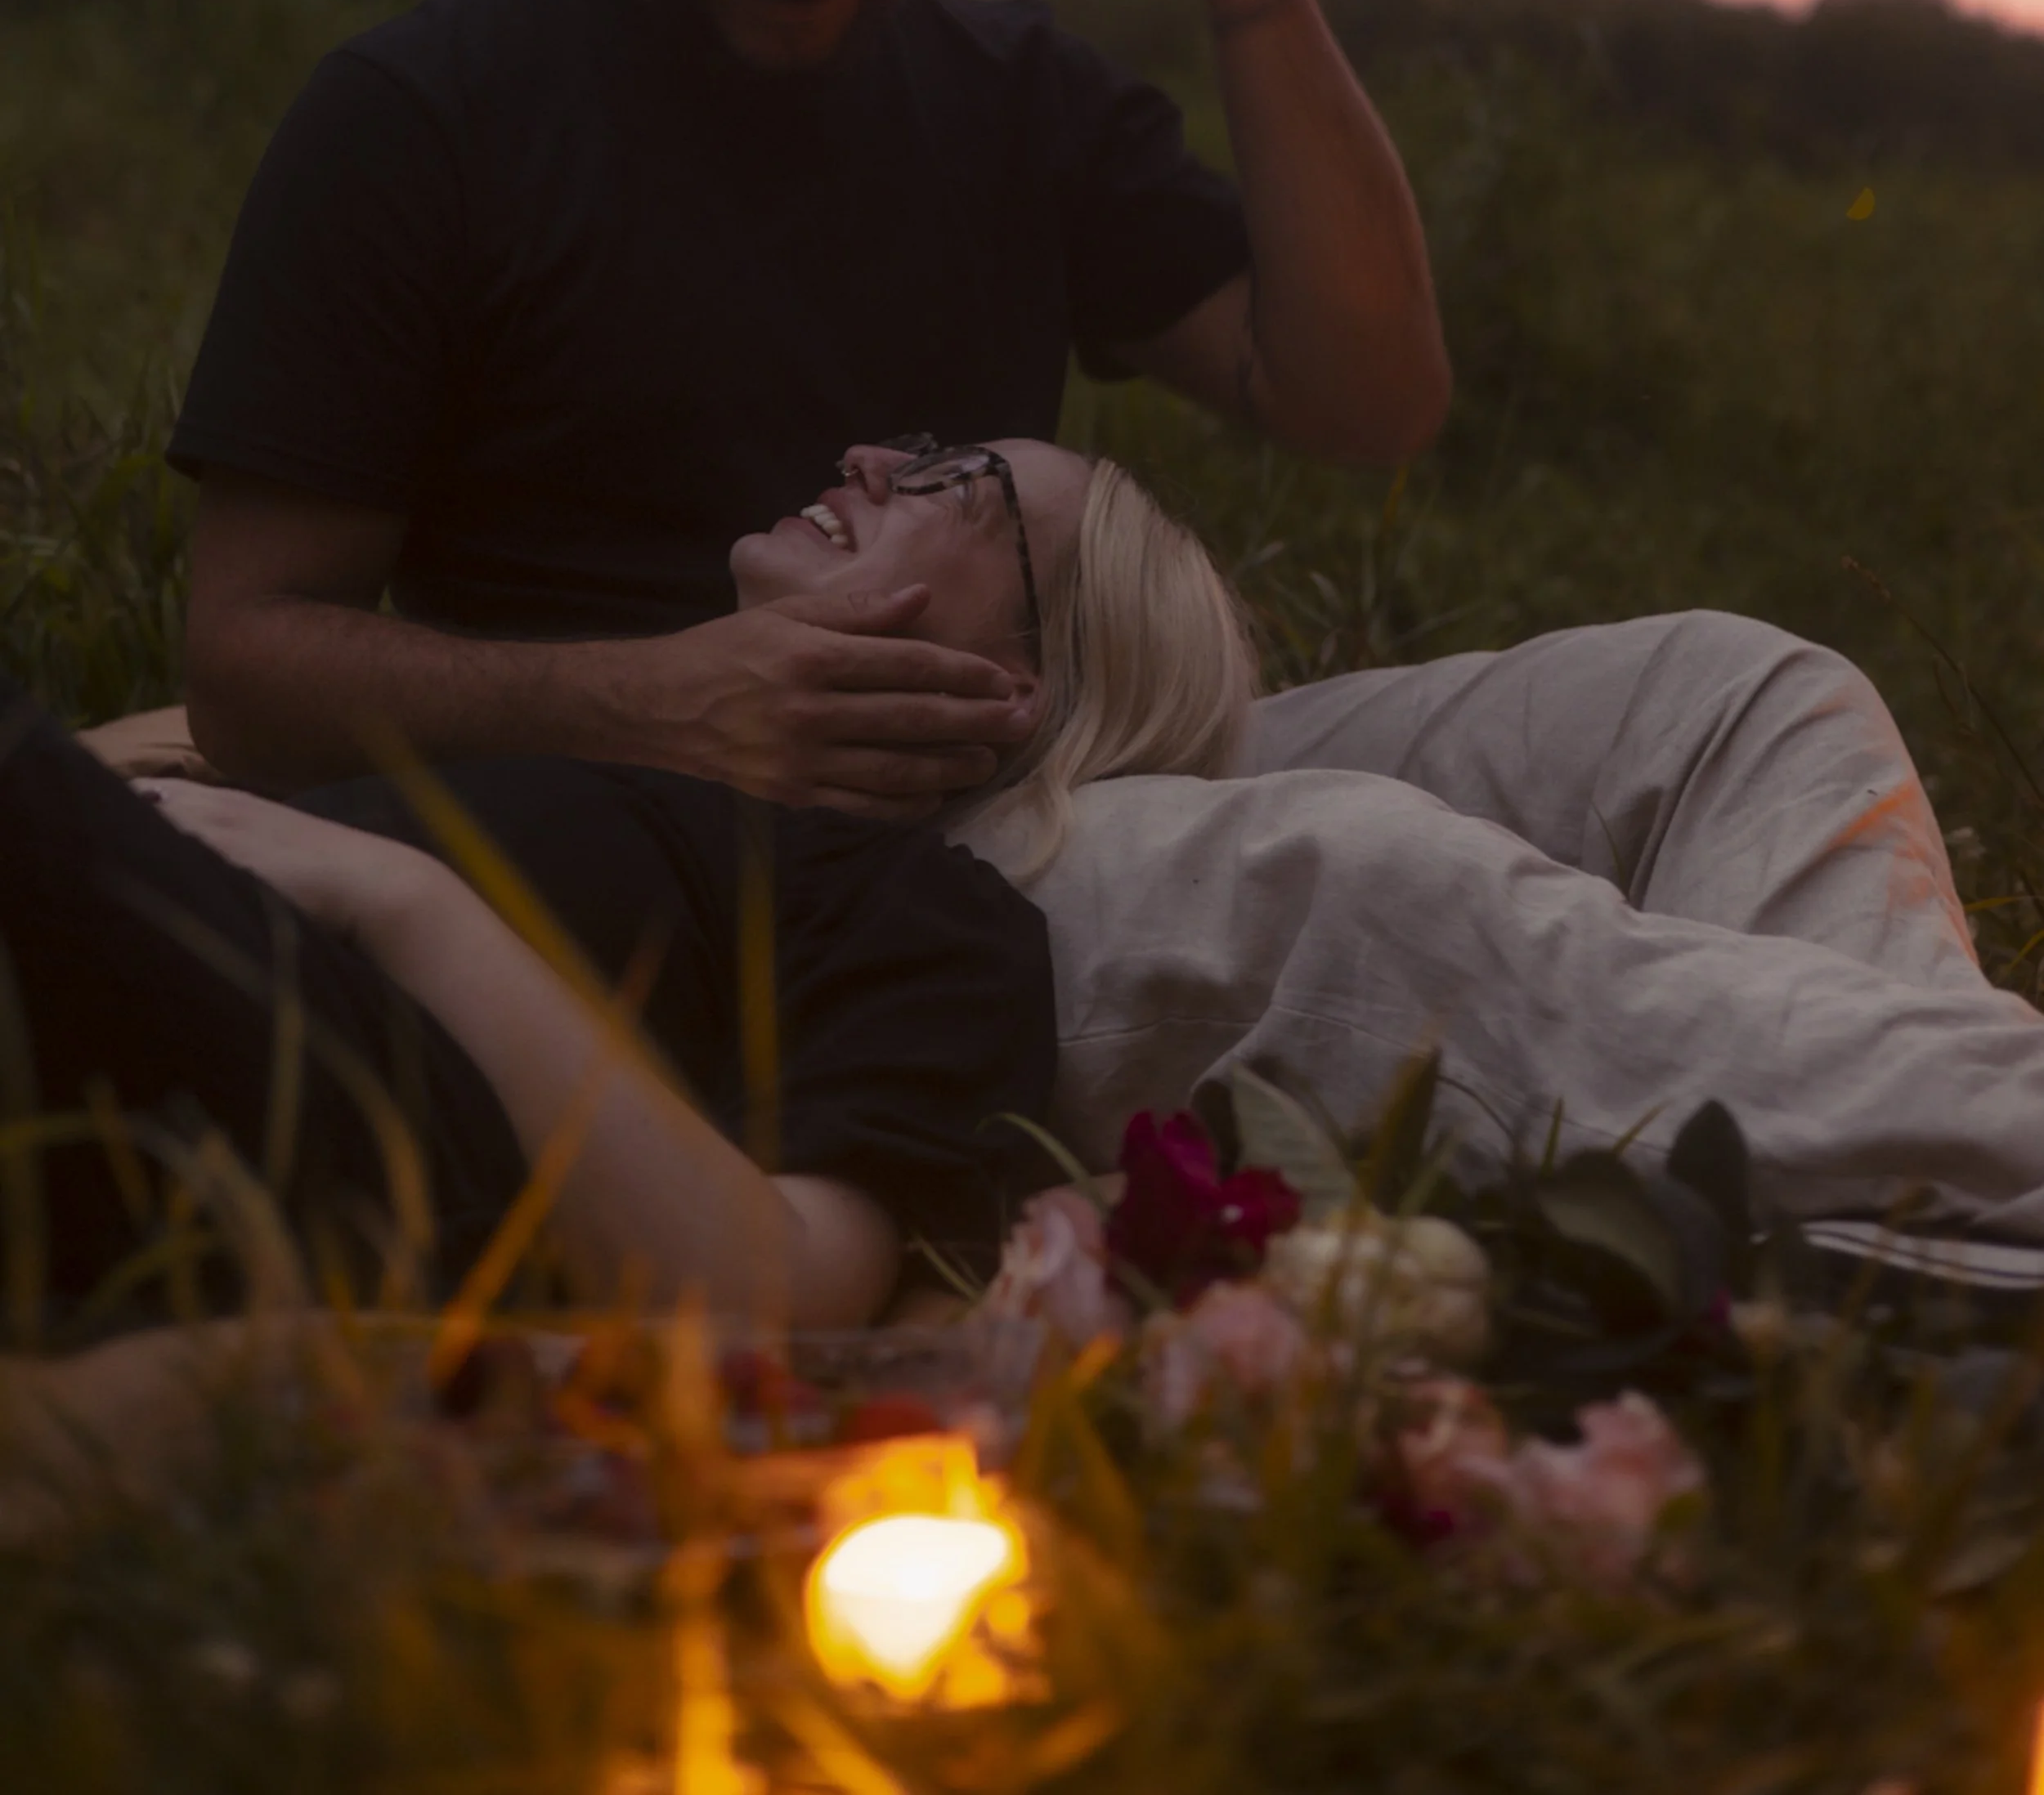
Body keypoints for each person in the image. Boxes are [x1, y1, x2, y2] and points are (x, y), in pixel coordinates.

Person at [166, 0, 1450, 818]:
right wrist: (650, 705)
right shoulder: (420, 119)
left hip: (1014, 819)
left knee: (1612, 706)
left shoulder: (1022, 100)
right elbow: (245, 669)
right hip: (603, 854)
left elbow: (1370, 404)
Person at [69, 441, 2044, 1263]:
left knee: (1730, 692)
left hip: (1010, 764)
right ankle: (1912, 1244)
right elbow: (227, 686)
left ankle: (1910, 1207)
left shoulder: (985, 66)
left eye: (946, 479)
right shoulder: (456, 98)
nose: (862, 453)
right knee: (1342, 876)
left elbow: (1362, 383)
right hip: (880, 806)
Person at [1, 437, 1250, 1331]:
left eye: (961, 486)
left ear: (1016, 681)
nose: (872, 457)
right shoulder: (618, 762)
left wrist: (397, 898)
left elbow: (775, 1289)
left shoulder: (931, 915)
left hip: (223, 1031)